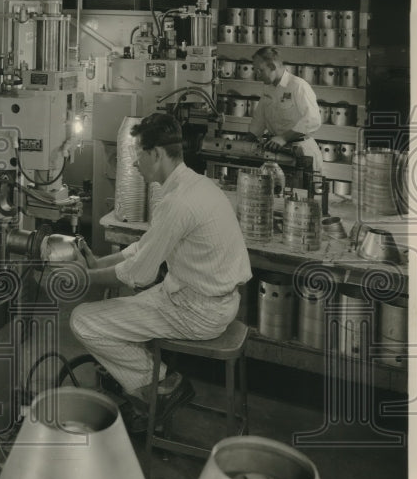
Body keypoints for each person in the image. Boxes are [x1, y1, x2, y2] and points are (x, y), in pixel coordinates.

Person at [69, 113, 252, 432]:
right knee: (122, 311)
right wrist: (99, 263)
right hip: (212, 299)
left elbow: (137, 275)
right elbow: (149, 245)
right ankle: (148, 382)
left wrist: (86, 277)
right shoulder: (195, 185)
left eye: (138, 152)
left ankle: (161, 386)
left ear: (155, 154)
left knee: (84, 320)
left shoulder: (176, 202)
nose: (134, 162)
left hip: (198, 311)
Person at [246, 46, 324, 176]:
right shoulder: (268, 88)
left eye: (260, 71)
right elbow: (260, 118)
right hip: (278, 153)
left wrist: (283, 137)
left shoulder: (298, 86)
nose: (257, 76)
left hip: (302, 153)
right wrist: (248, 139)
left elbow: (313, 119)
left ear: (272, 66)